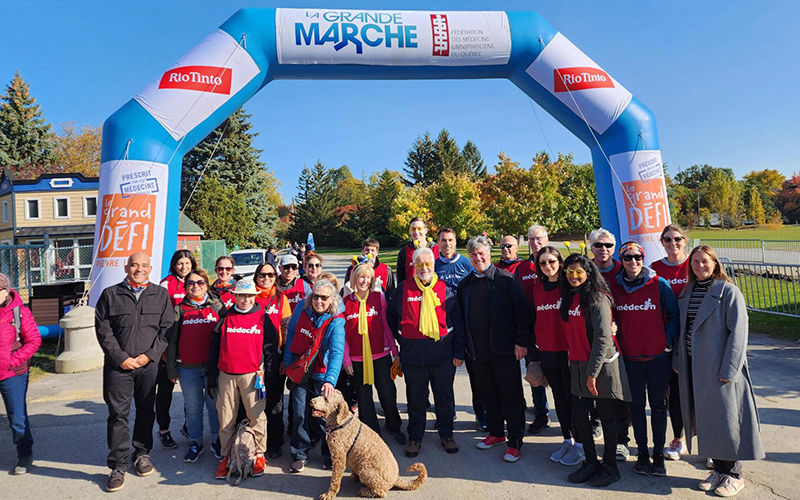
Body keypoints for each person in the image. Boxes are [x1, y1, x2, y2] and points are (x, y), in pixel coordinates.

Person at [674, 245, 764, 497]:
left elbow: (739, 333)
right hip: (694, 366)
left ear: (715, 264)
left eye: (705, 261)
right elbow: (684, 329)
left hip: (720, 368)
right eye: (695, 262)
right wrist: (679, 360)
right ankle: (719, 471)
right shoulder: (688, 292)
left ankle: (734, 474)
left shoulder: (728, 291)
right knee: (707, 420)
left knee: (727, 422)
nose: (700, 266)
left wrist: (730, 368)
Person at [95, 252, 173, 492]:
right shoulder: (110, 294)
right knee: (118, 415)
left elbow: (167, 328)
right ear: (126, 267)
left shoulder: (160, 294)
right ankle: (118, 464)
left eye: (144, 265)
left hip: (148, 366)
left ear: (151, 269)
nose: (139, 269)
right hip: (119, 367)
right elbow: (103, 330)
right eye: (134, 265)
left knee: (146, 410)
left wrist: (149, 355)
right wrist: (121, 358)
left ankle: (142, 453)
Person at [560, 254, 631, 488]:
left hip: (600, 366)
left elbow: (603, 338)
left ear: (588, 273)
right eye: (569, 272)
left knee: (606, 416)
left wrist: (592, 373)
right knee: (579, 416)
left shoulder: (598, 297)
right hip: (578, 364)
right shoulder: (569, 297)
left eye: (578, 271)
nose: (573, 276)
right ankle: (591, 462)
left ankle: (610, 467)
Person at [457, 236, 530, 463]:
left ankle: (515, 441)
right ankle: (497, 433)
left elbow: (522, 313)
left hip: (505, 351)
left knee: (511, 396)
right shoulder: (465, 284)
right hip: (477, 353)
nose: (478, 258)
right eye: (473, 255)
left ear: (489, 253)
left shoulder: (507, 280)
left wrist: (521, 342)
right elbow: (461, 319)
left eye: (481, 253)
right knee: (488, 395)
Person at [388, 247, 465, 458]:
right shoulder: (403, 289)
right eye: (419, 264)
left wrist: (458, 352)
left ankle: (446, 434)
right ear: (413, 266)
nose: (424, 268)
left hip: (442, 357)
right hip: (413, 357)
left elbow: (457, 323)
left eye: (427, 264)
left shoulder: (445, 289)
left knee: (444, 397)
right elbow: (391, 317)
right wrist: (404, 337)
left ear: (433, 265)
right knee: (416, 399)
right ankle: (415, 437)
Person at [610, 242, 678, 477]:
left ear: (643, 257)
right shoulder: (615, 288)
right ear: (622, 260)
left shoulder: (659, 284)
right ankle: (641, 453)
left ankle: (658, 455)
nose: (633, 262)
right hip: (631, 359)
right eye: (628, 258)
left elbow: (674, 314)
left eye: (637, 257)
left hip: (658, 358)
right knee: (636, 408)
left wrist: (665, 340)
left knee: (658, 407)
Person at [207, 278, 279, 480]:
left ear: (254, 296)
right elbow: (214, 347)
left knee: (257, 416)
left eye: (249, 295)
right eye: (241, 295)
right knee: (226, 418)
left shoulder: (262, 317)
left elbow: (270, 349)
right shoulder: (226, 316)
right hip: (227, 375)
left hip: (252, 375)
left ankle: (258, 455)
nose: (245, 299)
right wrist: (212, 376)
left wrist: (270, 375)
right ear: (235, 296)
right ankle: (226, 457)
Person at [526, 247, 585, 466]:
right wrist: (535, 354)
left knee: (574, 400)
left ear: (560, 262)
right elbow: (534, 321)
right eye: (542, 263)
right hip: (548, 353)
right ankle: (567, 439)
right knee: (559, 400)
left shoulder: (569, 287)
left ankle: (580, 444)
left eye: (552, 261)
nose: (548, 266)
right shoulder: (537, 288)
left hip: (570, 353)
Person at [284, 279, 345, 473]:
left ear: (331, 299)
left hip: (322, 372)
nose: (319, 301)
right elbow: (292, 334)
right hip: (300, 369)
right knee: (299, 412)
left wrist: (330, 381)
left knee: (324, 417)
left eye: (324, 297)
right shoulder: (302, 310)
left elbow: (337, 352)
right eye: (316, 296)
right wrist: (287, 364)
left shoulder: (336, 320)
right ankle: (299, 453)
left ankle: (329, 453)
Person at [342, 264, 405, 444]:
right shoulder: (345, 302)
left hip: (380, 355)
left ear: (372, 281)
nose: (364, 281)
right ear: (354, 279)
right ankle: (371, 433)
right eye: (361, 277)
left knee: (387, 392)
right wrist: (346, 361)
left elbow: (386, 325)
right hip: (357, 358)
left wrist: (394, 351)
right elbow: (343, 334)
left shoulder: (379, 298)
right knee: (363, 397)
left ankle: (394, 426)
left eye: (368, 278)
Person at [165, 269, 223, 463]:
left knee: (214, 405)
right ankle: (195, 442)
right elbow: (172, 341)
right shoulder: (179, 309)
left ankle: (217, 439)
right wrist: (171, 369)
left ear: (206, 285)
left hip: (213, 367)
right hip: (188, 368)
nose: (195, 286)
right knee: (193, 407)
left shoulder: (217, 306)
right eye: (191, 283)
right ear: (185, 287)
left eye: (200, 282)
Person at [434, 227, 482, 430]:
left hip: (468, 323)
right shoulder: (433, 265)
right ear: (438, 242)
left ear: (456, 241)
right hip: (444, 327)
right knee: (443, 376)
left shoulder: (465, 263)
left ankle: (482, 414)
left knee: (477, 375)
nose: (447, 244)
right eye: (443, 240)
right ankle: (446, 412)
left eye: (450, 240)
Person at [588, 228, 630, 456]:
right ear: (591, 247)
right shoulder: (585, 270)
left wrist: (618, 326)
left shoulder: (623, 269)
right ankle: (595, 423)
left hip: (621, 341)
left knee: (618, 392)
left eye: (608, 246)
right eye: (598, 245)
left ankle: (622, 440)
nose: (603, 249)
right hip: (592, 340)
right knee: (593, 385)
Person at [651, 224, 691, 462]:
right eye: (667, 239)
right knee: (673, 391)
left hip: (694, 337)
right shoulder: (655, 269)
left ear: (684, 240)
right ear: (662, 242)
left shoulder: (695, 264)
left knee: (699, 391)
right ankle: (679, 438)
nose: (672, 243)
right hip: (666, 338)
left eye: (677, 238)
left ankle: (709, 441)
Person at [156, 249, 198, 450]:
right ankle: (164, 431)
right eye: (180, 263)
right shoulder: (166, 284)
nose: (184, 267)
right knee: (165, 392)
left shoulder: (197, 281)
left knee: (191, 392)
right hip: (169, 344)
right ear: (174, 265)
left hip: (190, 345)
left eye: (187, 263)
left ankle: (189, 427)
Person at [0, 273, 41, 475]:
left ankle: (25, 454)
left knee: (16, 416)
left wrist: (10, 363)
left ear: (5, 291)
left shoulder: (19, 312)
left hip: (12, 374)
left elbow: (34, 341)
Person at [514, 224, 550, 434]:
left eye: (539, 239)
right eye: (531, 239)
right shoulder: (521, 269)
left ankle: (575, 420)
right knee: (535, 377)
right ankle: (541, 414)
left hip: (556, 334)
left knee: (564, 379)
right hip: (532, 333)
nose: (535, 243)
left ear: (546, 239)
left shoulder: (556, 263)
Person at [253, 262, 291, 459]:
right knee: (255, 401)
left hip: (274, 356)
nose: (266, 278)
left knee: (275, 402)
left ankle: (275, 442)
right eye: (262, 275)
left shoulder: (280, 298)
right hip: (252, 356)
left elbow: (286, 328)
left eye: (270, 275)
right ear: (256, 276)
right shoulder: (250, 296)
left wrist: (285, 357)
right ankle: (258, 440)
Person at [396, 217, 439, 283]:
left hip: (434, 290)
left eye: (419, 228)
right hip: (411, 290)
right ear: (410, 231)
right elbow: (400, 278)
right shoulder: (404, 252)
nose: (416, 232)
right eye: (413, 229)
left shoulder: (437, 249)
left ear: (426, 230)